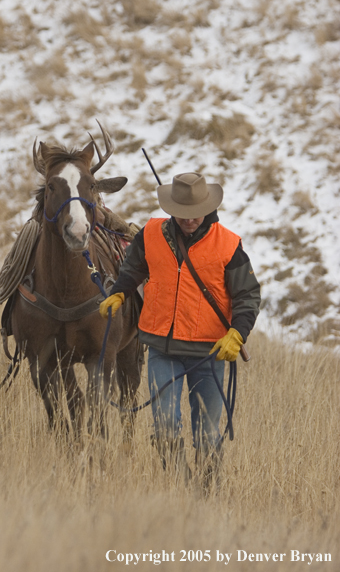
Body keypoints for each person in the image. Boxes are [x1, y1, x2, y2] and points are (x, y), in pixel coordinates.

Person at [99, 172, 261, 487]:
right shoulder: (150, 233)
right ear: (172, 208)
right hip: (162, 350)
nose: (188, 220)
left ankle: (207, 494)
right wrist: (120, 290)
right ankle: (181, 487)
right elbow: (134, 267)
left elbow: (248, 295)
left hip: (210, 353)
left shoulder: (229, 245)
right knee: (163, 429)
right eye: (182, 214)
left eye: (194, 214)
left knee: (207, 435)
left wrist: (237, 333)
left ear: (207, 208)